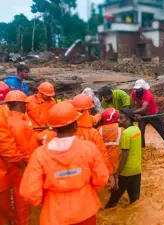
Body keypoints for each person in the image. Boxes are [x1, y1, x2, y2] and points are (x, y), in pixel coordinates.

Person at [19, 101, 109, 225]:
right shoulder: (89, 148)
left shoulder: (40, 154)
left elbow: (30, 193)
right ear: (76, 126)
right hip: (85, 210)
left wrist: (48, 199)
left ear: (54, 128)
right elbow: (101, 179)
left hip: (55, 215)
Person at [4, 90, 38, 225]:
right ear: (18, 104)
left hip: (16, 167)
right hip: (21, 168)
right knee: (20, 199)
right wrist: (32, 166)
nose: (26, 107)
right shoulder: (18, 123)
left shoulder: (12, 120)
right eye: (24, 104)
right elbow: (24, 149)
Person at [105, 108, 142, 209]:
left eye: (121, 118)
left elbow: (125, 155)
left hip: (125, 172)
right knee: (134, 202)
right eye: (118, 117)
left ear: (128, 120)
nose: (118, 120)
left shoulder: (125, 133)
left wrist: (117, 174)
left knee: (111, 204)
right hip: (137, 170)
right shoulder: (137, 130)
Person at [131, 79, 164, 154]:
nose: (137, 90)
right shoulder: (133, 93)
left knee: (163, 131)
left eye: (139, 88)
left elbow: (143, 108)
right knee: (141, 131)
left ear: (142, 88)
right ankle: (142, 148)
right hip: (143, 115)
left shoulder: (147, 94)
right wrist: (136, 114)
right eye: (136, 88)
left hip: (153, 114)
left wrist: (132, 113)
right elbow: (133, 105)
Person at [71, 94, 114, 175]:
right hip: (88, 173)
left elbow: (93, 119)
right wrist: (109, 172)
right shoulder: (93, 133)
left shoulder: (65, 131)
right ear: (88, 110)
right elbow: (102, 155)